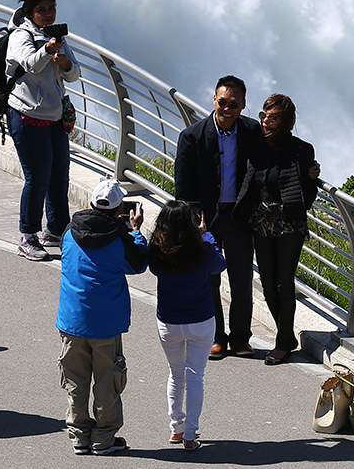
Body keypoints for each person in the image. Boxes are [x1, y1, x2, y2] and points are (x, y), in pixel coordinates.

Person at [56, 179, 148, 455]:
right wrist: (137, 232)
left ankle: (80, 437)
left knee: (75, 380)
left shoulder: (70, 232)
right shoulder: (121, 239)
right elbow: (139, 264)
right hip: (106, 325)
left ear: (92, 203)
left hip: (71, 321)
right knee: (107, 380)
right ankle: (104, 439)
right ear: (120, 208)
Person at [173, 75, 262, 360]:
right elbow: (183, 186)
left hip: (238, 217)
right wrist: (193, 221)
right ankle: (215, 337)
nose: (227, 109)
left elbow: (276, 155)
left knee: (241, 278)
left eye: (233, 105)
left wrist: (308, 166)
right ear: (214, 100)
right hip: (205, 218)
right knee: (209, 278)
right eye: (222, 102)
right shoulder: (192, 136)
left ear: (243, 106)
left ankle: (240, 338)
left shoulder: (252, 131)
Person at [236, 93, 319, 366]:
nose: (266, 121)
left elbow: (309, 191)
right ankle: (287, 335)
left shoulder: (301, 149)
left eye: (272, 117)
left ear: (285, 121)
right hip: (260, 221)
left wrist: (310, 180)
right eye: (264, 115)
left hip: (289, 223)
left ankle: (283, 342)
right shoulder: (256, 146)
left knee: (284, 283)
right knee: (268, 284)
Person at [5, 0, 81, 262]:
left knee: (59, 175)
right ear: (30, 12)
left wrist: (64, 63)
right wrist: (48, 50)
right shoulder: (20, 36)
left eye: (51, 9)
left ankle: (58, 230)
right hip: (26, 115)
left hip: (54, 116)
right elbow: (30, 63)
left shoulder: (57, 36)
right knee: (37, 178)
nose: (48, 14)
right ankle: (28, 235)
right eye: (41, 10)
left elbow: (74, 75)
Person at [147, 200, 227, 451]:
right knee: (195, 377)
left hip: (169, 322)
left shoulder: (158, 249)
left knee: (175, 374)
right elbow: (219, 265)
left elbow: (148, 265)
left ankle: (175, 429)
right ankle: (191, 434)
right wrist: (206, 235)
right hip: (201, 321)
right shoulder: (201, 248)